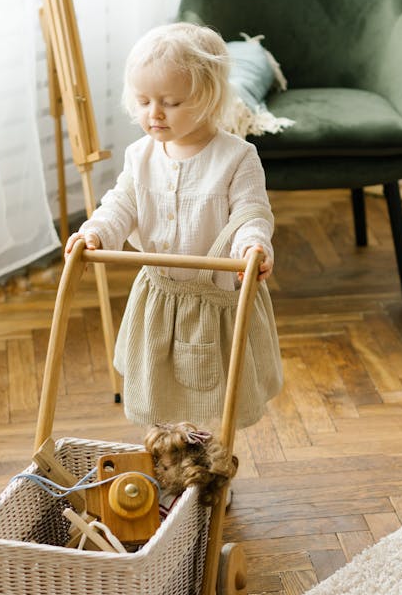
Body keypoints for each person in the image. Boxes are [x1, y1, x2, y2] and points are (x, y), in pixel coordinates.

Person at [65, 21, 282, 429]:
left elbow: (251, 213)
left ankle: (213, 464)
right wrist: (95, 231)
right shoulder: (140, 156)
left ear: (208, 99)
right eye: (144, 101)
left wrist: (253, 247)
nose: (155, 113)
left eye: (170, 102)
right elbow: (121, 204)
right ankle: (167, 455)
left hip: (218, 303)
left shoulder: (237, 158)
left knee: (218, 393)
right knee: (159, 389)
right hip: (160, 298)